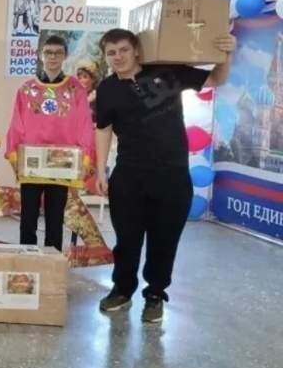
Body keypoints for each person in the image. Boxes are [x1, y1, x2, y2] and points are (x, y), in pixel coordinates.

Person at [95, 28, 235, 323]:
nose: (118, 57)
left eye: (123, 50)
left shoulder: (167, 72)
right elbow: (103, 129)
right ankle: (122, 290)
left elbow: (216, 79)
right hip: (129, 176)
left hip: (172, 176)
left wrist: (227, 54)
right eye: (111, 53)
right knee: (127, 240)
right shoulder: (107, 89)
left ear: (136, 50)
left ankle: (155, 295)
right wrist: (100, 169)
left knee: (164, 240)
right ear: (106, 57)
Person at [5, 34, 94, 250]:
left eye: (58, 53)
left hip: (61, 163)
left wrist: (85, 158)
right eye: (48, 52)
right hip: (32, 162)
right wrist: (14, 154)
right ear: (40, 55)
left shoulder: (75, 89)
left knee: (55, 219)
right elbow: (16, 123)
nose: (53, 57)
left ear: (65, 56)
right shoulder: (26, 89)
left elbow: (84, 123)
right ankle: (27, 258)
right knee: (28, 217)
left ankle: (52, 260)